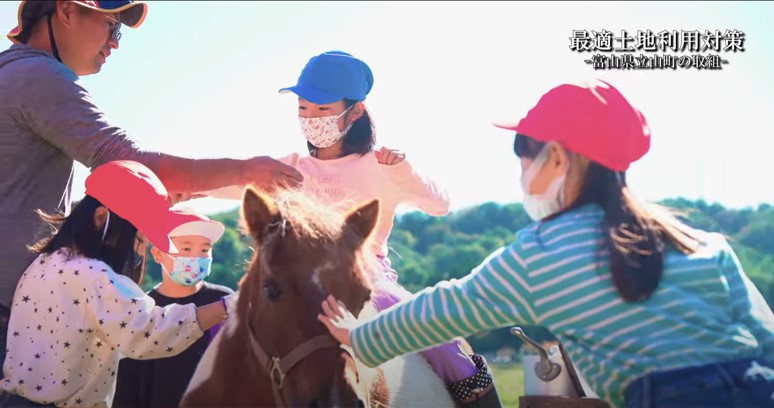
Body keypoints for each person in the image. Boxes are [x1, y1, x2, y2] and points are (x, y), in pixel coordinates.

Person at [318, 79, 774, 408]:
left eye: (523, 156)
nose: (521, 173)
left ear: (556, 157)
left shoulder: (542, 253)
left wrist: (361, 337)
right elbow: (765, 337)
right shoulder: (701, 241)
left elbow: (448, 307)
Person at [0, 0, 302, 366]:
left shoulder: (11, 73)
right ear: (65, 11)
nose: (114, 43)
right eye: (112, 26)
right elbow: (131, 163)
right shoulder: (39, 77)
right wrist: (248, 171)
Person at [207, 50, 502, 406]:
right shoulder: (288, 168)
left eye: (322, 109)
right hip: (298, 283)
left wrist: (403, 173)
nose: (310, 118)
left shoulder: (381, 167)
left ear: (356, 110)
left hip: (368, 280)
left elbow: (440, 205)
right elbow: (236, 184)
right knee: (231, 338)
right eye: (303, 108)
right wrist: (182, 189)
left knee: (438, 339)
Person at [0, 160, 238, 407]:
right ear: (101, 218)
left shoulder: (46, 263)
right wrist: (226, 306)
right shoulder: (93, 275)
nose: (137, 249)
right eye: (137, 237)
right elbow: (148, 331)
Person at [113, 208, 233, 408]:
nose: (197, 257)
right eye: (186, 249)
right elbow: (127, 384)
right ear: (158, 254)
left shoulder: (224, 302)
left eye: (205, 249)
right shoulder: (143, 310)